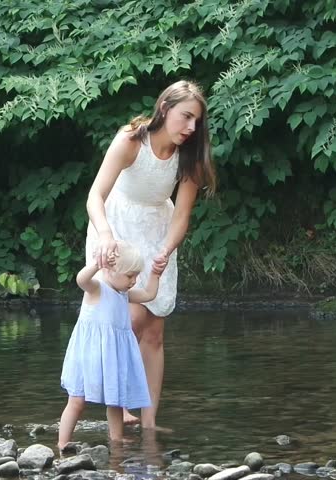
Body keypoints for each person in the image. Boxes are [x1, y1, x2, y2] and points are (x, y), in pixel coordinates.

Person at [86, 80, 217, 429]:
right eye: (185, 117)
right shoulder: (131, 140)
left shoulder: (189, 156)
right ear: (164, 108)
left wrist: (166, 249)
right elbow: (95, 196)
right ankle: (120, 407)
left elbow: (182, 215)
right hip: (116, 228)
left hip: (158, 232)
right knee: (126, 322)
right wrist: (105, 235)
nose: (191, 127)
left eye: (196, 122)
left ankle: (148, 422)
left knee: (154, 331)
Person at [58, 241, 160, 449]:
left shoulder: (123, 294)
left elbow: (149, 295)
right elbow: (81, 280)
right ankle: (62, 442)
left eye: (136, 276)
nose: (134, 281)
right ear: (110, 270)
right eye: (130, 276)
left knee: (116, 400)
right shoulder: (97, 288)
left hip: (112, 355)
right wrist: (97, 264)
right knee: (77, 400)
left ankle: (116, 438)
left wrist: (156, 274)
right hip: (89, 354)